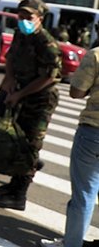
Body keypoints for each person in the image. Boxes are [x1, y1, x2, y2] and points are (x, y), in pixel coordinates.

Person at [0, 0, 61, 211]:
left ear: (40, 18)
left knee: (30, 146)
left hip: (40, 100)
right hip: (20, 93)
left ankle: (19, 195)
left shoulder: (47, 43)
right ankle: (12, 186)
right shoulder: (21, 34)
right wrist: (8, 81)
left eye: (28, 16)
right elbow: (10, 58)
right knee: (17, 141)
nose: (23, 20)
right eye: (21, 15)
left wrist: (20, 94)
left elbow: (49, 77)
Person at [39, 46, 99, 246]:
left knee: (85, 193)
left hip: (94, 132)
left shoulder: (96, 55)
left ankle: (72, 244)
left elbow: (76, 92)